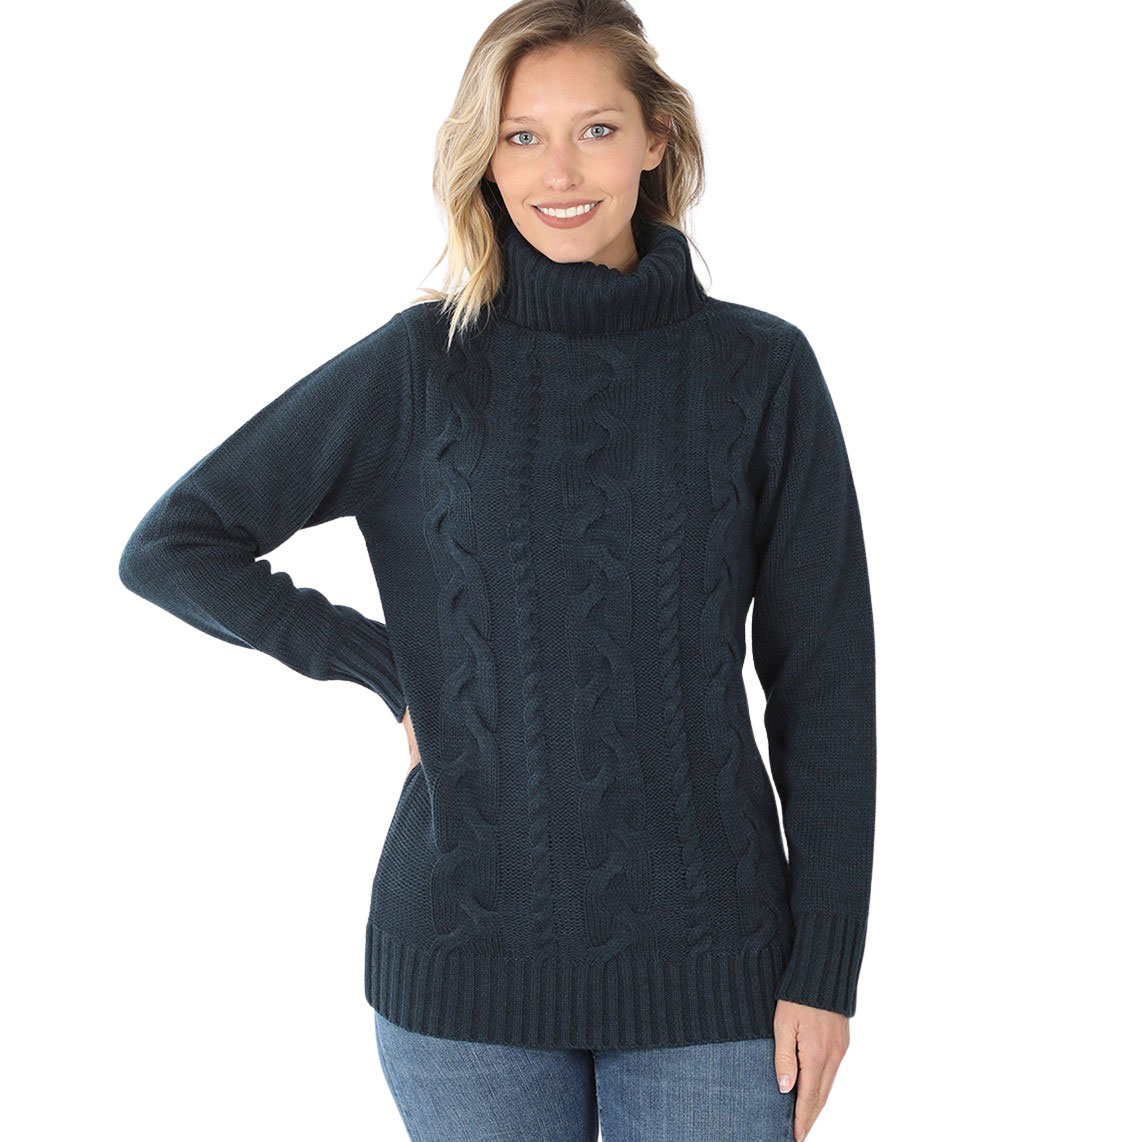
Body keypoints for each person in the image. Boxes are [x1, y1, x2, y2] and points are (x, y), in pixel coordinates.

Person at [117, 1, 877, 1138]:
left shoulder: (759, 370)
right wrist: (392, 669)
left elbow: (826, 686)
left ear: (658, 139)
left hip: (717, 968)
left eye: (596, 130)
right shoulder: (421, 366)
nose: (557, 173)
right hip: (463, 972)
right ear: (484, 156)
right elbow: (177, 542)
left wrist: (825, 967)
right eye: (521, 136)